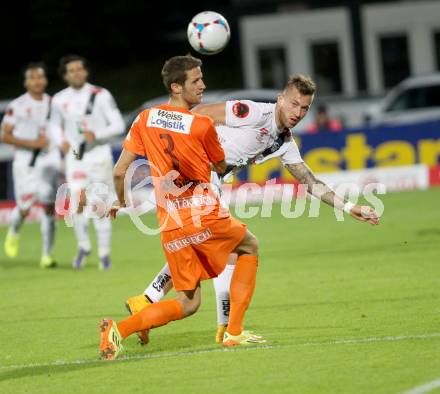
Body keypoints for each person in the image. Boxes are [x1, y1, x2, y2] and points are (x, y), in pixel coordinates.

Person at [125, 74, 380, 345]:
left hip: (209, 183)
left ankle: (147, 301)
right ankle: (227, 330)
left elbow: (311, 182)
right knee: (232, 249)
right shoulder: (253, 112)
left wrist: (350, 206)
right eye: (294, 104)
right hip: (198, 179)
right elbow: (198, 112)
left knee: (196, 245)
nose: (298, 113)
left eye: (304, 108)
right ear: (280, 99)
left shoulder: (284, 143)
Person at [99, 55, 265, 360]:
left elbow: (119, 171)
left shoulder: (144, 119)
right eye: (195, 81)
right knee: (250, 247)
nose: (203, 85)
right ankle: (235, 331)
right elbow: (220, 164)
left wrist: (120, 202)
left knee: (188, 303)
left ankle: (116, 331)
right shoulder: (201, 124)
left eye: (201, 78)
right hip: (203, 212)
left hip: (171, 223)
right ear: (176, 86)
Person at [50, 55, 125, 270]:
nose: (76, 73)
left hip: (99, 156)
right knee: (78, 201)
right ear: (65, 76)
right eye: (71, 70)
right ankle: (83, 246)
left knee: (100, 206)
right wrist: (60, 141)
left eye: (79, 69)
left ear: (86, 71)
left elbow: (118, 124)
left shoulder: (100, 95)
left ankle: (104, 254)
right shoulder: (58, 100)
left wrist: (98, 134)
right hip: (75, 157)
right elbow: (54, 126)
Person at [1, 63, 61, 268]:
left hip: (48, 161)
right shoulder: (17, 105)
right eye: (32, 77)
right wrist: (31, 143)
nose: (37, 81)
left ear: (45, 80)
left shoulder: (54, 104)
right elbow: (5, 135)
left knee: (49, 207)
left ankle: (47, 255)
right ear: (26, 82)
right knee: (25, 206)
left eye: (40, 77)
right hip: (25, 161)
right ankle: (14, 230)